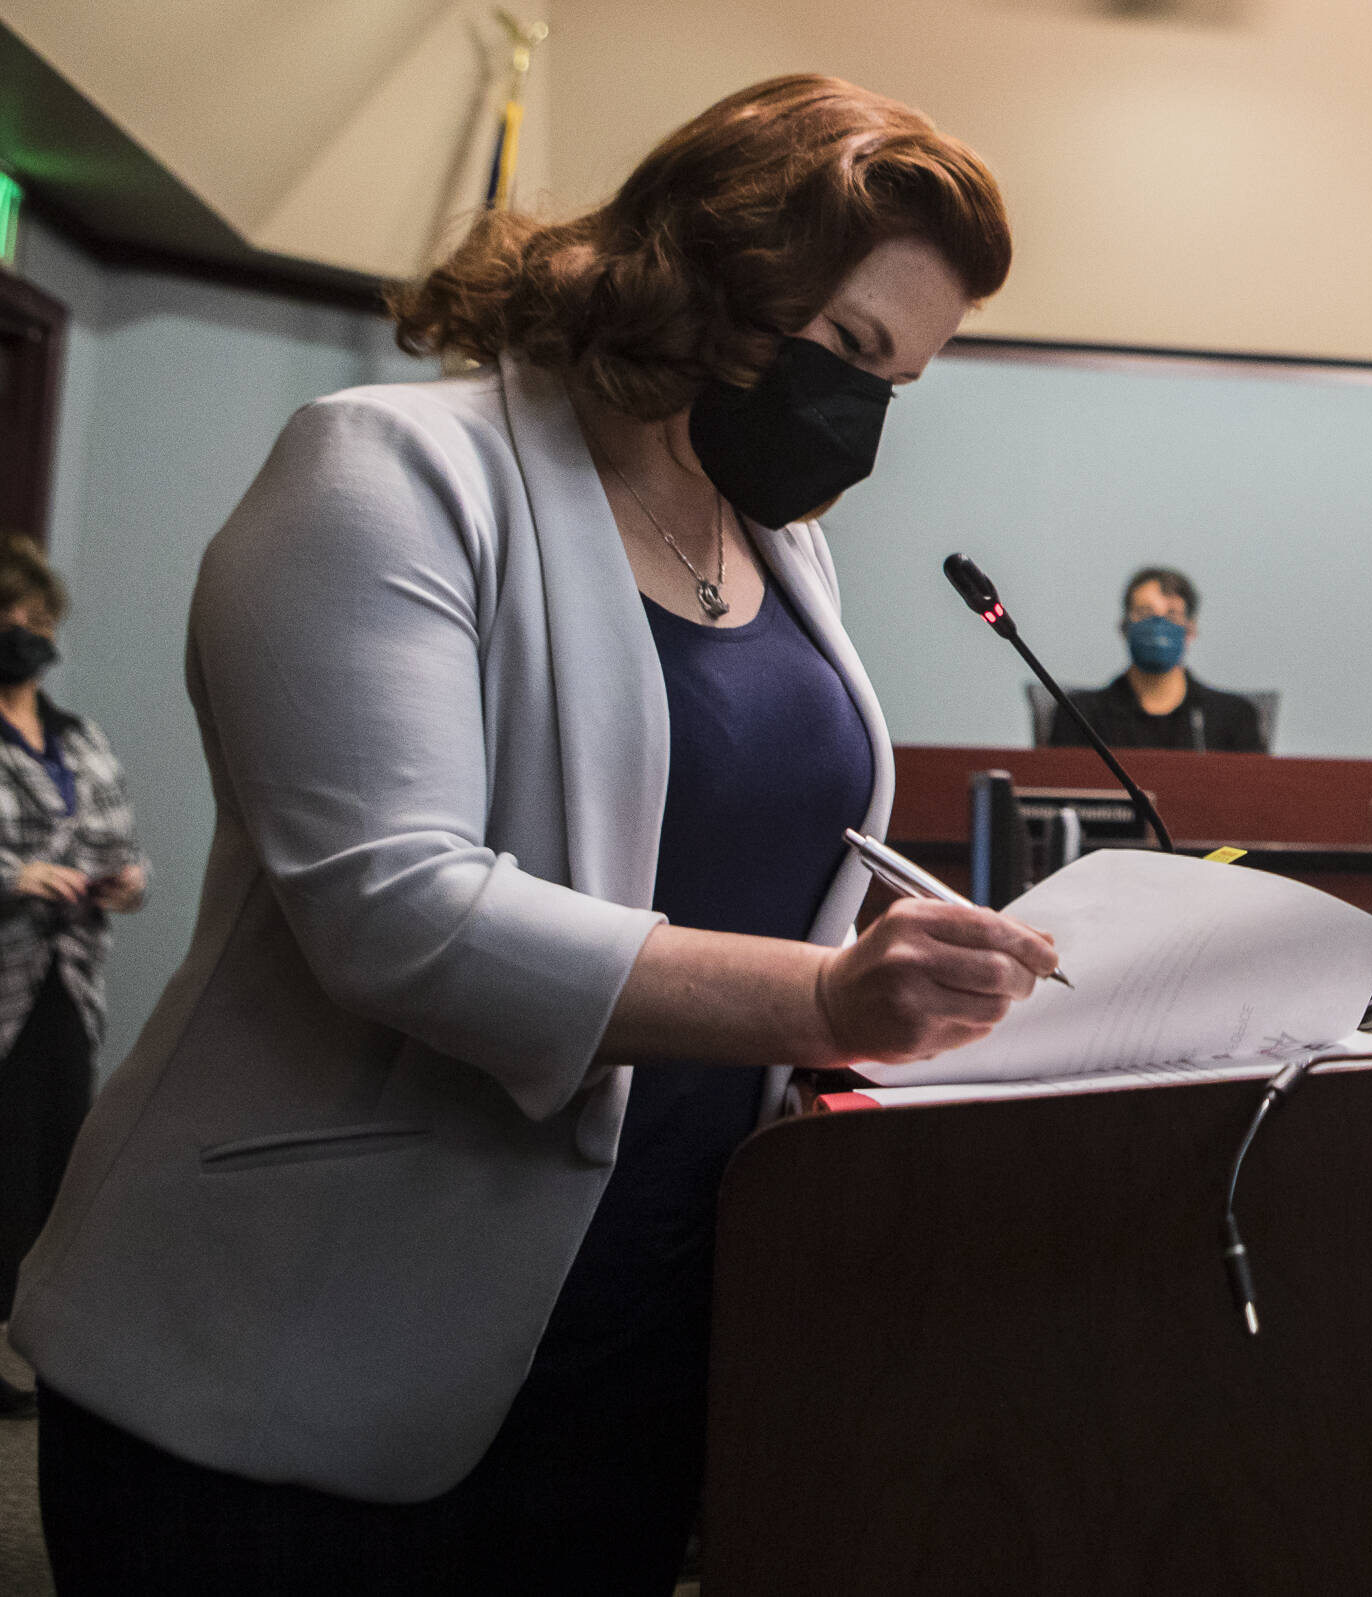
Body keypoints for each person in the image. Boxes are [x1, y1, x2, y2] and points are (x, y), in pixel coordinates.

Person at [15, 75, 1057, 1594]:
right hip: (301, 1347)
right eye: (844, 348)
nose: (860, 416)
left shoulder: (781, 543)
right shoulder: (390, 469)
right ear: (717, 272)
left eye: (894, 379)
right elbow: (398, 910)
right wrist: (826, 998)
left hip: (628, 1351)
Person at [0, 535, 146, 1424]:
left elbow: (123, 847)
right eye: (11, 618)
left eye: (39, 619)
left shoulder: (76, 736)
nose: (27, 632)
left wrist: (125, 882)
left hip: (66, 982)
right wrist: (12, 876)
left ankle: (28, 1354)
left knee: (47, 1167)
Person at [1049, 567, 1267, 752]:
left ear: (1190, 630)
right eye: (1145, 613)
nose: (1158, 625)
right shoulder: (1081, 716)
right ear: (1124, 627)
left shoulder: (1233, 718)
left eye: (1172, 615)